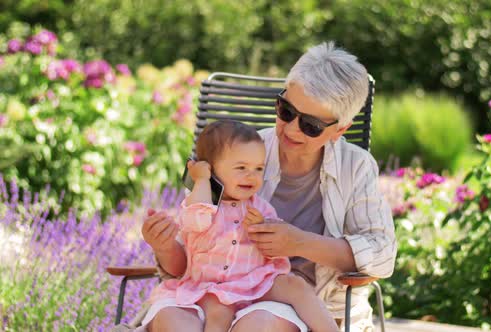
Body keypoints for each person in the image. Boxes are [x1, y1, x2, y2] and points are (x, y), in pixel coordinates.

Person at [139, 41, 397, 332]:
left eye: (310, 126)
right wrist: (163, 247)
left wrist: (299, 243)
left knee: (258, 324)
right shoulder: (234, 156)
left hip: (302, 301)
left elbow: (382, 253)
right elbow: (188, 258)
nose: (290, 129)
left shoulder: (356, 166)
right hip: (211, 293)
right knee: (172, 321)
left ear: (340, 130)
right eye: (286, 110)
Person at [140, 120, 339, 332]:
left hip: (257, 281)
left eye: (258, 168)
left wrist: (263, 228)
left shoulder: (259, 207)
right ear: (210, 169)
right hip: (211, 286)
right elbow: (195, 221)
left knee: (296, 285)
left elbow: (277, 247)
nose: (251, 175)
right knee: (218, 310)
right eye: (241, 167)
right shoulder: (202, 206)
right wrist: (202, 181)